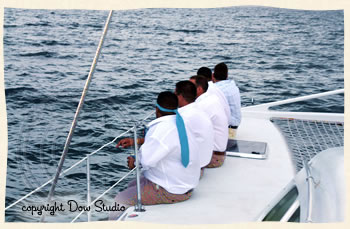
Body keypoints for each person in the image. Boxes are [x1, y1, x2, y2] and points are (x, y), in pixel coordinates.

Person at [110, 91, 200, 220]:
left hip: (172, 191)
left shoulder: (161, 130)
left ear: (157, 109)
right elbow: (164, 146)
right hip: (186, 183)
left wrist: (134, 161)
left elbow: (146, 161)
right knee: (132, 185)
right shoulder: (180, 123)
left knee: (119, 200)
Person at [175, 80, 214, 176]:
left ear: (180, 96)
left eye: (175, 94)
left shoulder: (184, 116)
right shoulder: (199, 109)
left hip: (194, 169)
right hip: (204, 161)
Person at [190, 75, 228, 168]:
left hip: (214, 158)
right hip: (217, 154)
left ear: (199, 89)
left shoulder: (202, 106)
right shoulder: (211, 99)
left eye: (190, 87)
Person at [212, 62, 241, 139]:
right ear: (227, 75)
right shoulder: (233, 86)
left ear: (213, 75)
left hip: (227, 130)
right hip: (234, 127)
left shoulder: (216, 90)